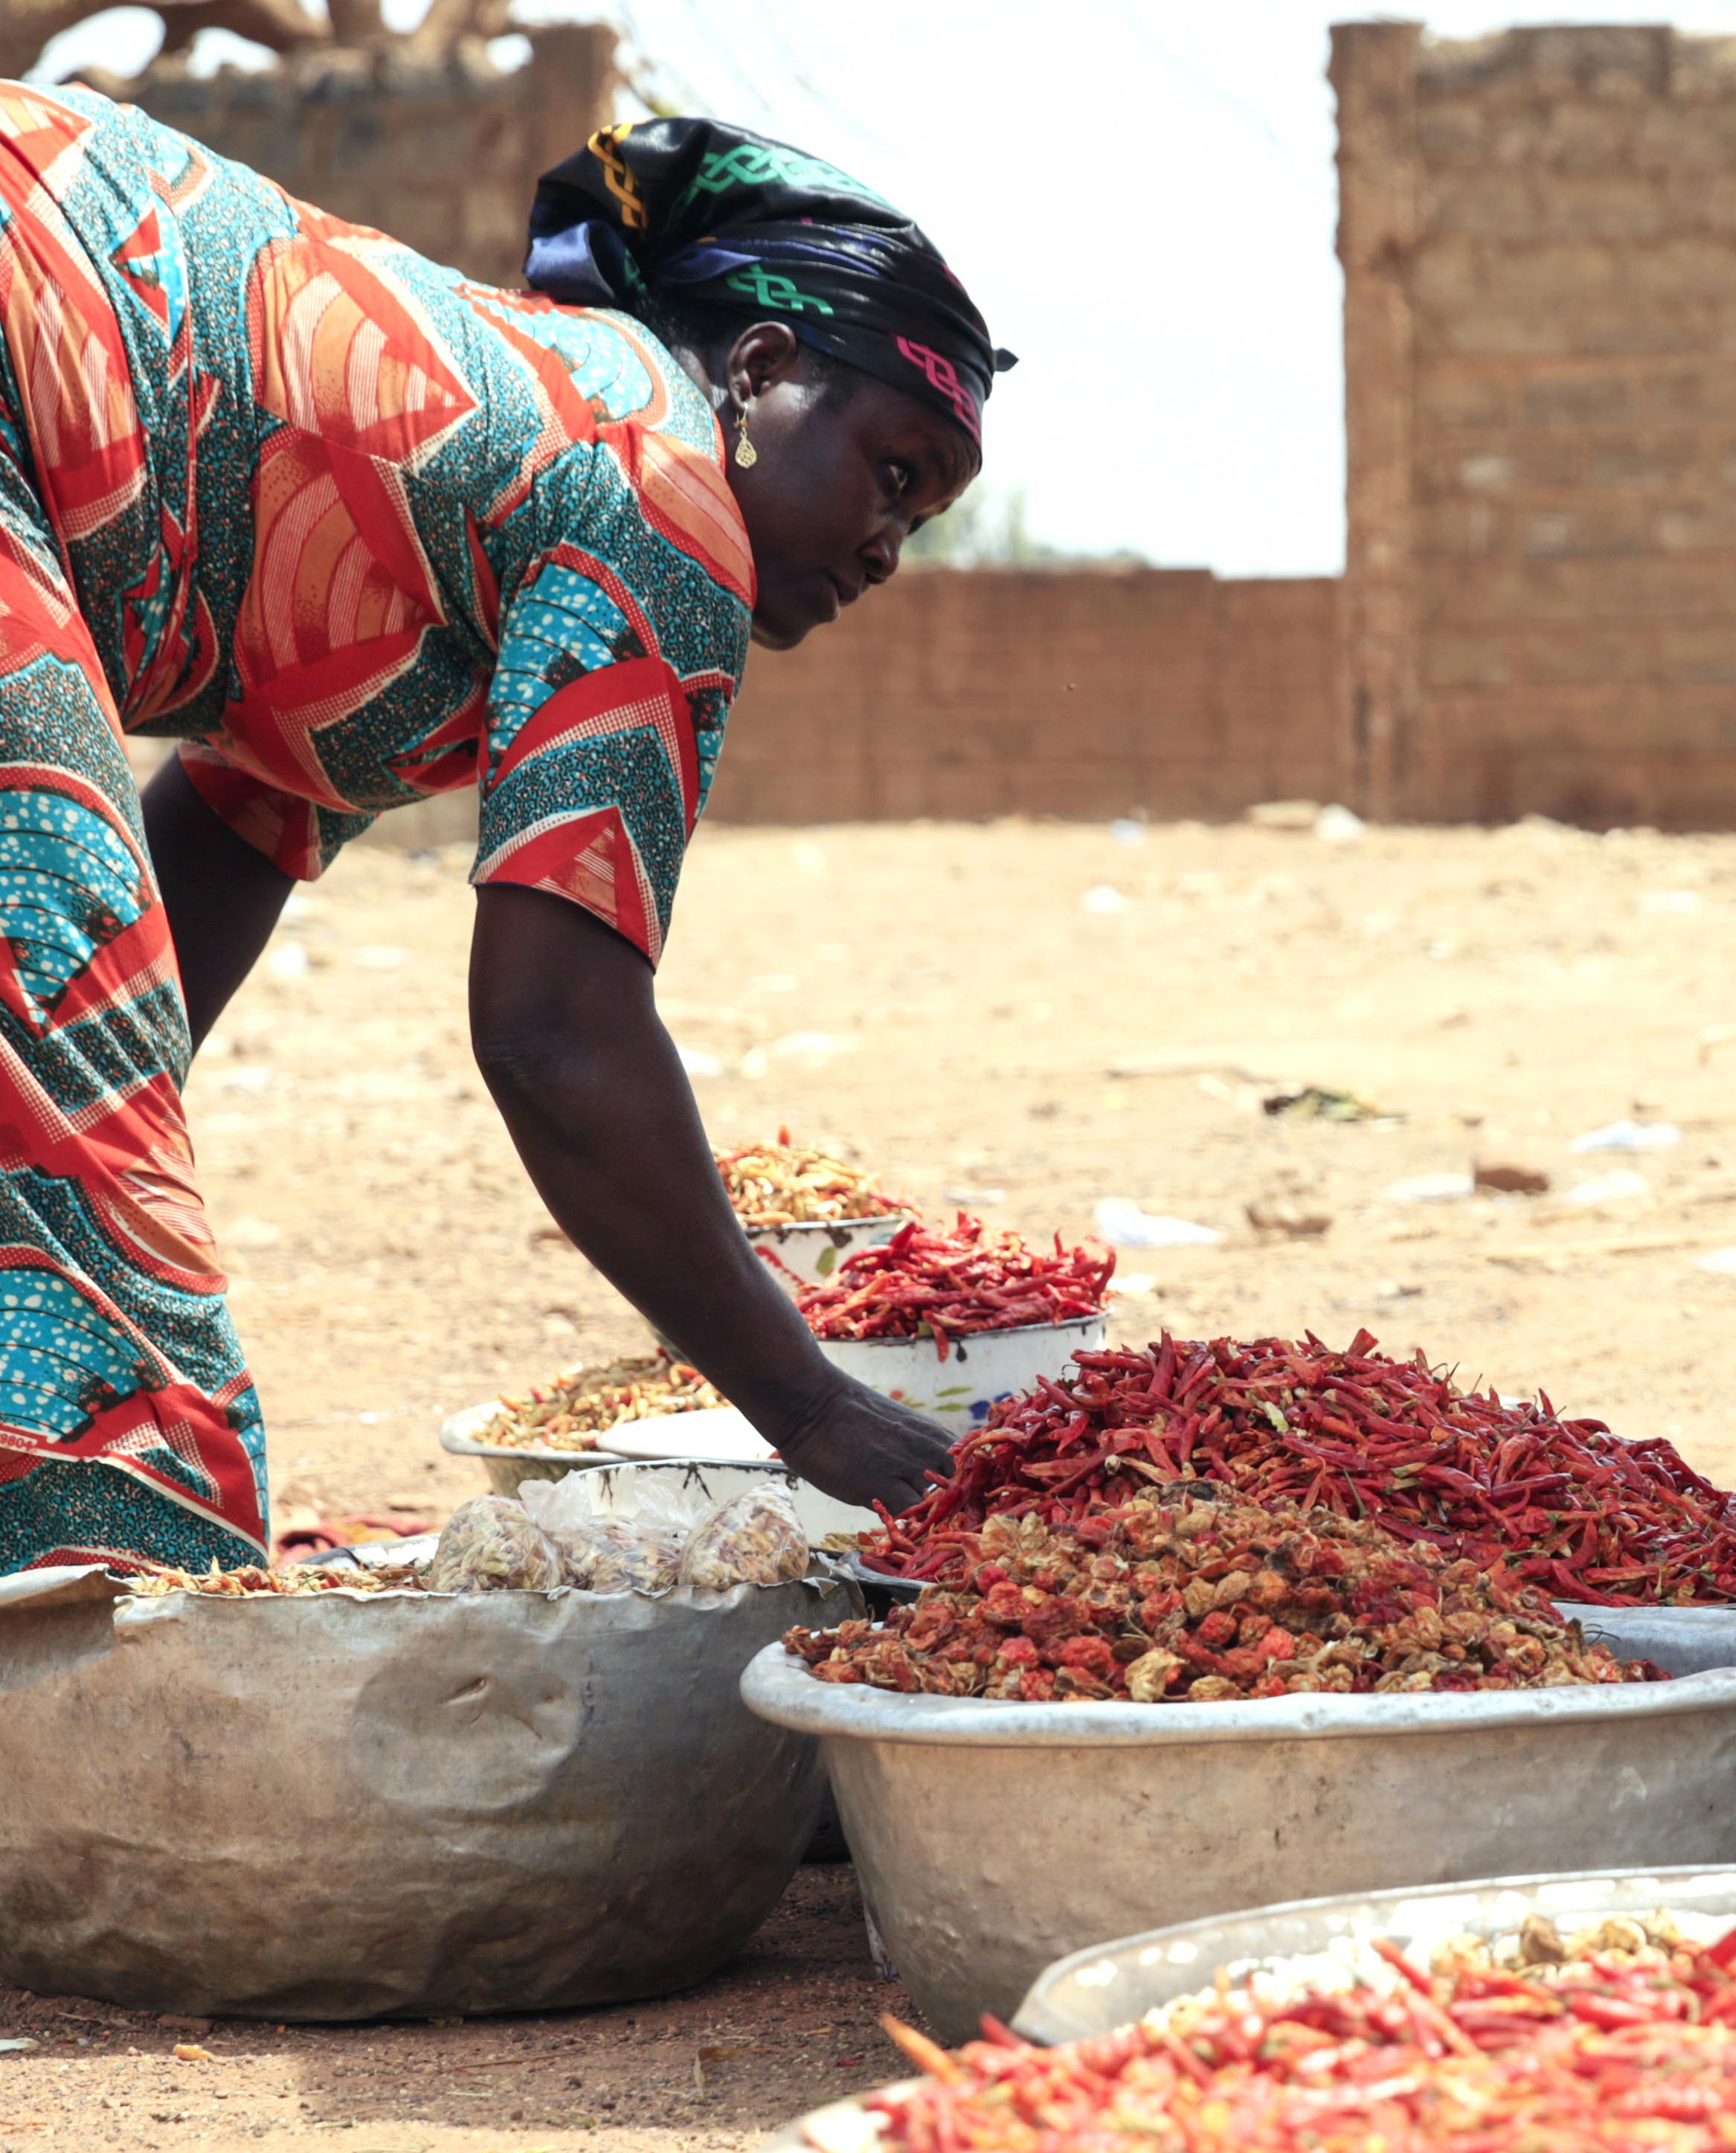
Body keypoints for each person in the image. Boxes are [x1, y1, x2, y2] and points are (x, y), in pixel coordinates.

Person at [0, 88, 1003, 1576]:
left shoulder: (461, 553)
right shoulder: (665, 499)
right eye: (893, 475)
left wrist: (69, 1114)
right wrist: (812, 1408)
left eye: (919, 522)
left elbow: (213, 863)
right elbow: (555, 1029)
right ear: (761, 368)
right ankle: (99, 1719)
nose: (885, 548)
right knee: (108, 1359)